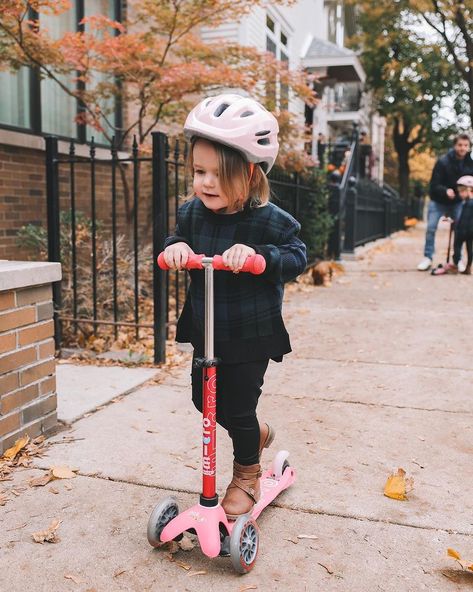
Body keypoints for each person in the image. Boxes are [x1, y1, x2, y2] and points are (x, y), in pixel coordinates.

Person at [163, 93, 307, 520]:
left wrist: (262, 258)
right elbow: (174, 240)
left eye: (217, 174)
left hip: (251, 331)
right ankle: (257, 435)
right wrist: (176, 249)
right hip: (208, 326)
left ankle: (247, 473)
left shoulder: (271, 220)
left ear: (248, 173)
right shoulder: (192, 213)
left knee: (237, 407)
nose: (205, 183)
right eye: (198, 171)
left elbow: (297, 256)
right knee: (202, 401)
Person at [418, 133, 473, 271]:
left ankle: (457, 259)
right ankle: (428, 257)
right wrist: (445, 191)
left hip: (458, 202)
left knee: (460, 231)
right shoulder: (443, 162)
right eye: (460, 145)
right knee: (431, 228)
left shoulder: (470, 163)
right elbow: (434, 184)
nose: (462, 148)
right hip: (439, 200)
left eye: (466, 145)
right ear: (455, 145)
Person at [432, 175, 473, 275]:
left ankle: (466, 266)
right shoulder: (464, 203)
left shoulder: (470, 203)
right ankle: (457, 264)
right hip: (461, 230)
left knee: (468, 249)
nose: (460, 194)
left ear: (469, 190)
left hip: (468, 231)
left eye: (462, 191)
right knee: (458, 248)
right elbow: (461, 217)